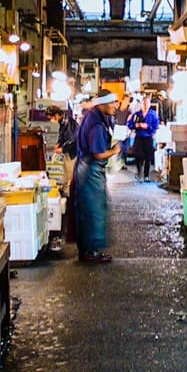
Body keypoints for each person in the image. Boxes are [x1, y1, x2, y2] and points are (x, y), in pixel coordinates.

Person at [73, 89, 121, 263]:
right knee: (93, 210)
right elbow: (98, 153)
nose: (115, 106)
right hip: (89, 170)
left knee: (89, 209)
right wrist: (114, 150)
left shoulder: (95, 116)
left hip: (85, 168)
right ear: (102, 104)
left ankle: (87, 249)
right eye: (112, 103)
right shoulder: (97, 125)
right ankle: (90, 252)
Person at [127, 94, 159, 182]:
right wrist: (136, 125)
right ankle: (139, 172)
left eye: (147, 103)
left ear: (149, 104)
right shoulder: (137, 114)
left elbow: (156, 126)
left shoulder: (153, 115)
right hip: (138, 137)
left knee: (148, 157)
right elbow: (129, 124)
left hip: (148, 137)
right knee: (138, 155)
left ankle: (146, 175)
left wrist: (148, 127)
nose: (145, 105)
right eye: (144, 103)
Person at [47, 105, 78, 195]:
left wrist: (62, 148)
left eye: (51, 118)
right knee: (66, 170)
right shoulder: (63, 121)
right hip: (70, 151)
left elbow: (71, 140)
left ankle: (68, 193)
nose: (51, 120)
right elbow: (63, 136)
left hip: (72, 152)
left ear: (56, 115)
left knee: (69, 172)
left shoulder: (67, 122)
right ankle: (65, 189)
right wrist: (58, 143)